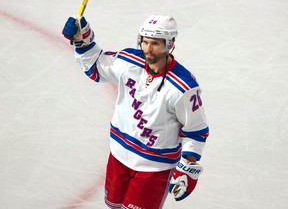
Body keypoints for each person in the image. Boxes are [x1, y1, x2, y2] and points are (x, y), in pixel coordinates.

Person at [62, 13, 209, 209]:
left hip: (153, 169)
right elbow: (96, 66)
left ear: (170, 43)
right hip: (118, 156)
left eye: (155, 43)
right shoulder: (129, 61)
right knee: (113, 205)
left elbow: (196, 130)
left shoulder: (183, 87)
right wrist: (82, 40)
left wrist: (188, 167)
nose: (148, 49)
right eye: (145, 42)